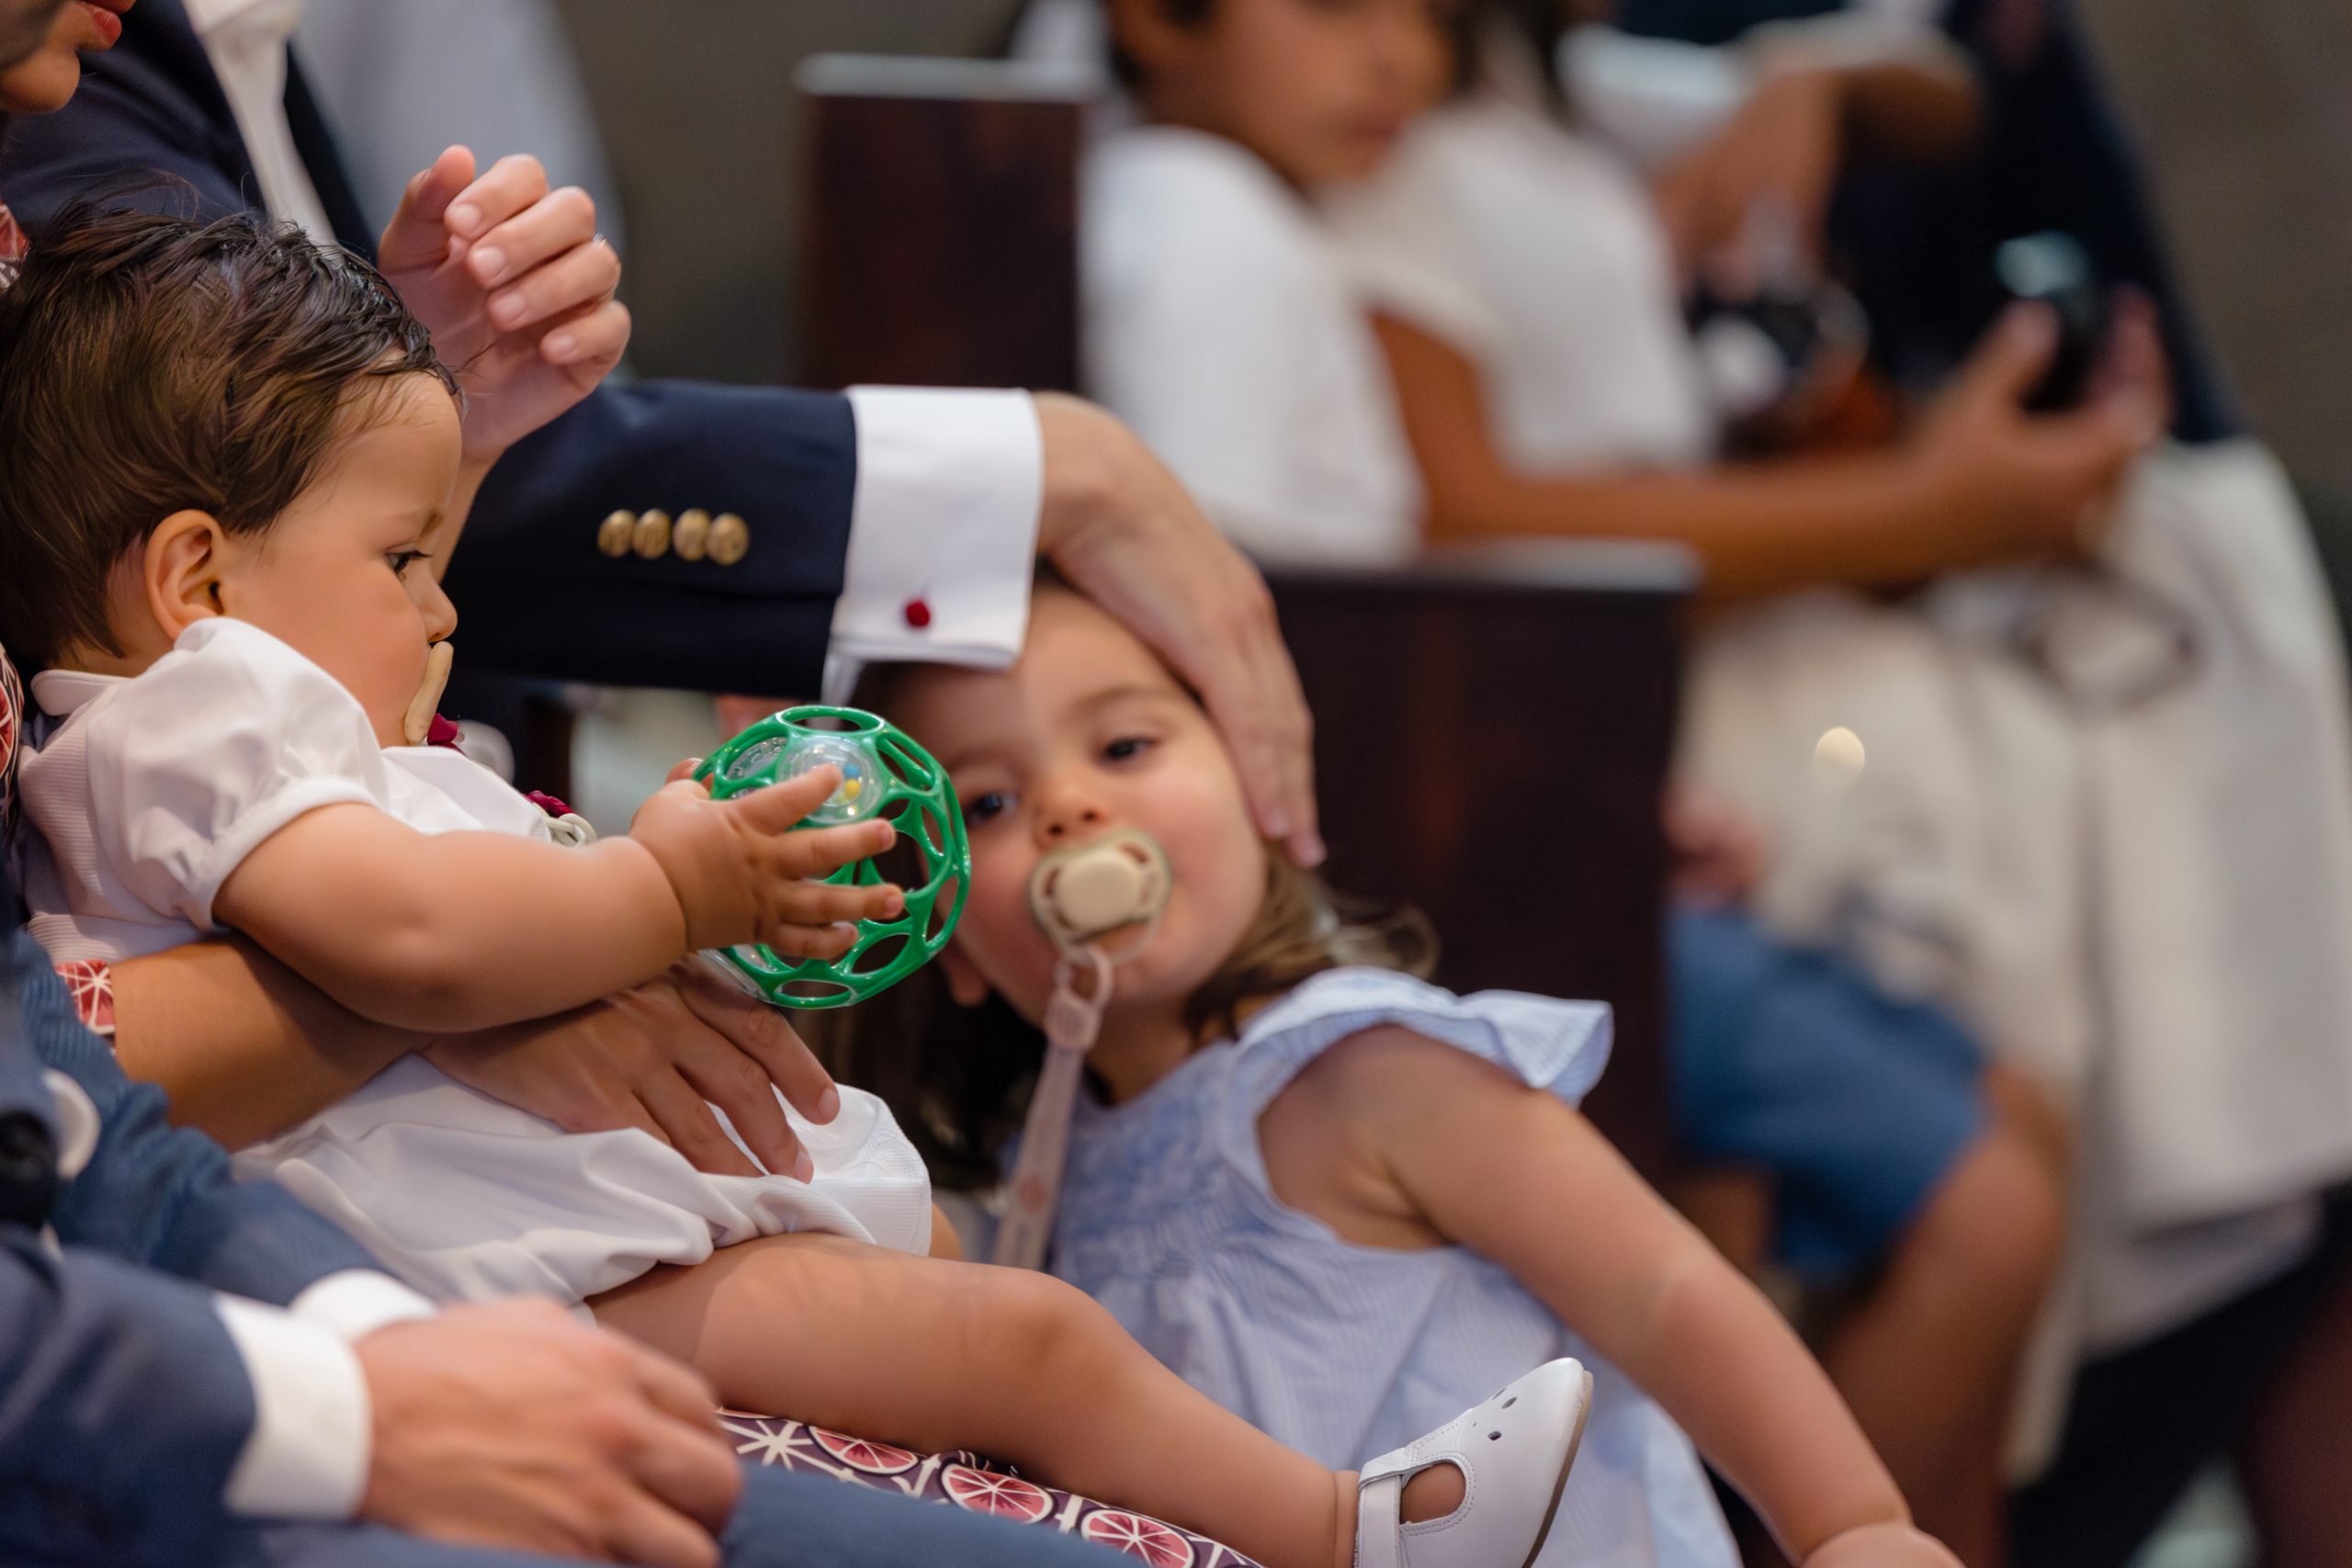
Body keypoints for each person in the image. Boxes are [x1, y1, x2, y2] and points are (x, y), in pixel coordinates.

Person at [1, 200, 1597, 1568]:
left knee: (964, 1291)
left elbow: (444, 879)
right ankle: (1344, 1529)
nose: (443, 611)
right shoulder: (207, 714)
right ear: (196, 575)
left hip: (537, 1235)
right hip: (489, 1271)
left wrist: (701, 875)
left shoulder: (241, 722)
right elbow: (414, 936)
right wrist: (672, 890)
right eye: (406, 559)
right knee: (1025, 1339)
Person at [1076, 6, 2072, 1560]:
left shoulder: (1259, 203)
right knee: (1980, 1195)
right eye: (1339, 5)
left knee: (1999, 1129)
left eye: (1423, 13)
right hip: (1424, 885)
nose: (1395, 56)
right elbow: (1256, 626)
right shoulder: (1195, 223)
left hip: (1490, 828)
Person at [823, 581, 1973, 1568]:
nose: (1070, 807)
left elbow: (1660, 1293)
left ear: (1260, 789)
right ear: (947, 940)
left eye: (1125, 747)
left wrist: (1848, 1524)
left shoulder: (1362, 1066)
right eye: (988, 803)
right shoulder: (1044, 1181)